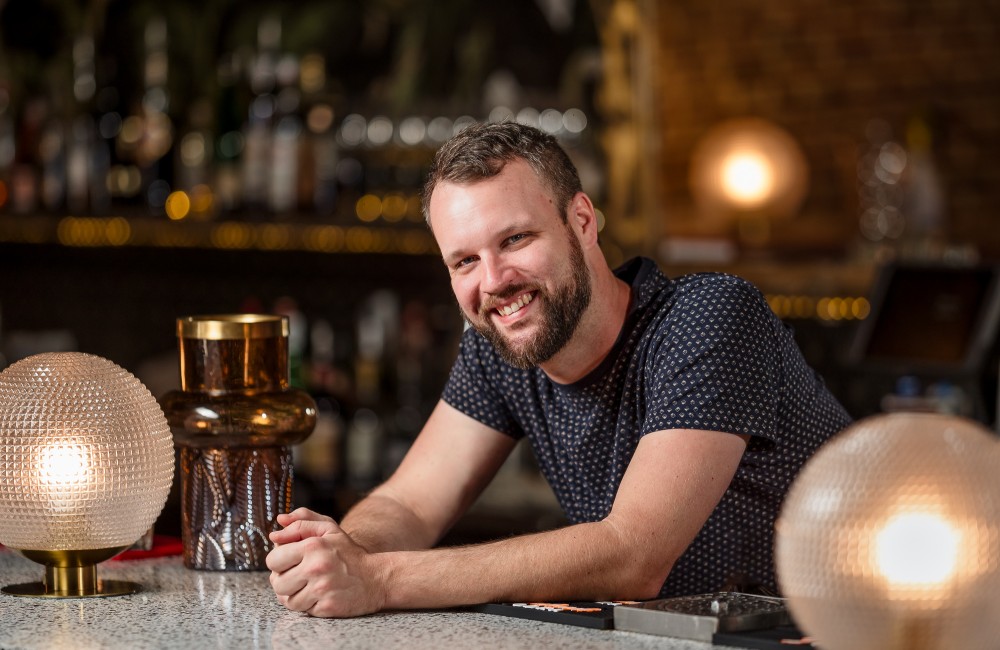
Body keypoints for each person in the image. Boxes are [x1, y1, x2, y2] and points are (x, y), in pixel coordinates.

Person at [266, 121, 852, 618]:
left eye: (516, 239)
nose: (494, 281)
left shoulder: (709, 319)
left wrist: (380, 580)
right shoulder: (499, 347)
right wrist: (345, 553)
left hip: (829, 633)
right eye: (465, 260)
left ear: (583, 222)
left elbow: (633, 556)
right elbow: (410, 506)